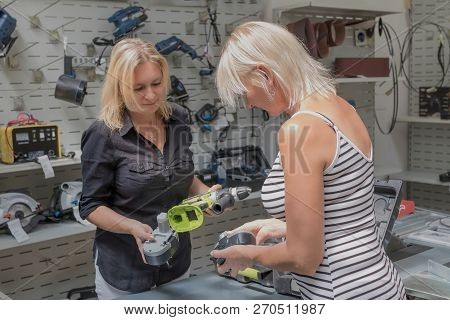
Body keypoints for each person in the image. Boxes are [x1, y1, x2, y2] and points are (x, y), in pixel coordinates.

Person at [211, 21, 406, 300]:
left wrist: (246, 254)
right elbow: (343, 209)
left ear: (264, 74)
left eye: (244, 93)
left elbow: (303, 259)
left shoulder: (299, 130)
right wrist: (287, 227)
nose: (249, 104)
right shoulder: (339, 106)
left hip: (341, 294)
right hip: (379, 286)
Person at [79, 38, 217, 299]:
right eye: (139, 87)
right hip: (125, 272)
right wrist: (131, 226)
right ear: (120, 88)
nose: (151, 95)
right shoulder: (103, 134)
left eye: (156, 83)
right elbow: (90, 205)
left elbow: (182, 176)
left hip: (176, 263)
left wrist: (205, 194)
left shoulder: (178, 119)